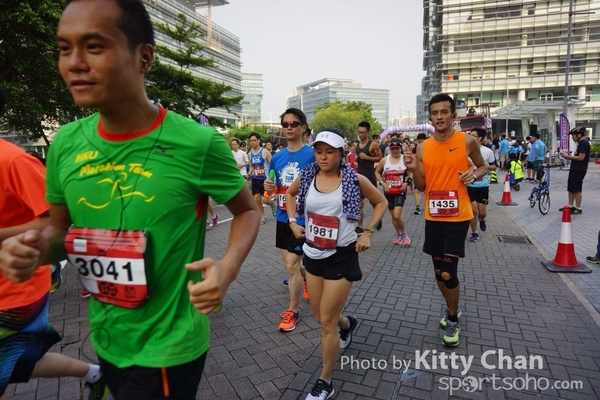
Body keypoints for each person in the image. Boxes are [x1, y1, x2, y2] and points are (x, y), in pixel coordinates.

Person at [0, 1, 260, 398]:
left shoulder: (198, 142)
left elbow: (247, 210)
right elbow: (58, 231)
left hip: (171, 345)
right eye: (64, 48)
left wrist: (228, 267)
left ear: (144, 58)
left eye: (94, 46)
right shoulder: (65, 143)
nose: (74, 63)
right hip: (107, 338)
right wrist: (33, 250)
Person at [0, 88, 106, 400]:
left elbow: (53, 222)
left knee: (12, 363)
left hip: (14, 289)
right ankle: (94, 373)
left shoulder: (13, 160)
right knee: (20, 363)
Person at [285, 129, 387, 400]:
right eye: (319, 151)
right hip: (313, 253)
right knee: (321, 317)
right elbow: (290, 195)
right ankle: (348, 324)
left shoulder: (354, 179)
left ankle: (325, 381)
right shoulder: (307, 176)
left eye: (329, 152)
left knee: (326, 323)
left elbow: (381, 202)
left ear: (341, 153)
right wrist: (293, 222)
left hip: (341, 255)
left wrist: (367, 233)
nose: (323, 157)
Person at [404, 94, 488, 347]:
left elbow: (484, 167)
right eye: (434, 113)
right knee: (439, 274)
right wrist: (413, 169)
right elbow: (422, 186)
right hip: (433, 216)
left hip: (458, 215)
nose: (439, 117)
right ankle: (452, 307)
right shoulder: (423, 147)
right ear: (430, 117)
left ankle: (452, 318)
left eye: (444, 112)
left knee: (448, 273)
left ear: (453, 115)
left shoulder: (467, 141)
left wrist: (474, 174)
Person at [264, 108, 315, 332]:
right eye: (285, 124)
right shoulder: (277, 157)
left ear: (303, 128)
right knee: (292, 266)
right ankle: (306, 281)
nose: (289, 128)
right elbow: (273, 186)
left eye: (294, 124)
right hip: (283, 218)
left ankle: (293, 311)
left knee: (292, 266)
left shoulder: (313, 155)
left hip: (304, 220)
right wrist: (269, 186)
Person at [375, 139, 411, 246]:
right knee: (393, 216)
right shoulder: (384, 160)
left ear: (400, 148)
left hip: (400, 191)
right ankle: (399, 234)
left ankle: (404, 234)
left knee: (397, 215)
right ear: (389, 149)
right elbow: (377, 172)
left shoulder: (404, 159)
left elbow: (411, 172)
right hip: (388, 191)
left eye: (397, 149)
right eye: (393, 149)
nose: (395, 151)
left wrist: (407, 183)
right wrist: (382, 183)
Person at [466, 128, 496, 242]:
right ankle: (474, 232)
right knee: (473, 211)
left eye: (473, 135)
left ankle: (482, 219)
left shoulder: (487, 151)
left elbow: (494, 166)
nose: (470, 137)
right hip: (469, 185)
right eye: (469, 135)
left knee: (482, 212)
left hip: (483, 185)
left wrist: (484, 167)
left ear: (480, 138)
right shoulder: (465, 150)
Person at [355, 122, 382, 233]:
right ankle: (360, 226)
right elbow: (359, 160)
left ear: (368, 132)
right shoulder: (357, 146)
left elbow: (380, 158)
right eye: (359, 132)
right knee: (359, 202)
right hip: (360, 176)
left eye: (363, 132)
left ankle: (378, 218)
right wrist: (357, 159)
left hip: (370, 176)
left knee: (374, 202)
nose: (361, 135)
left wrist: (366, 157)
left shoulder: (373, 145)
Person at [559, 126, 591, 214]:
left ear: (579, 135)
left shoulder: (584, 143)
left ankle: (578, 207)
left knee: (576, 189)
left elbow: (581, 157)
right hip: (575, 169)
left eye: (573, 135)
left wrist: (567, 157)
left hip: (579, 170)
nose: (572, 138)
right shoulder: (580, 144)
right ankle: (570, 206)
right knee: (571, 188)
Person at [248, 132, 275, 222]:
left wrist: (272, 178)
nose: (252, 142)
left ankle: (273, 204)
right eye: (251, 141)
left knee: (265, 200)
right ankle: (263, 217)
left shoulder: (265, 152)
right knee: (256, 199)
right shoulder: (249, 154)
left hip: (265, 180)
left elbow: (273, 165)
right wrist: (249, 173)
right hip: (255, 179)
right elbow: (252, 166)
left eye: (254, 140)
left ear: (258, 140)